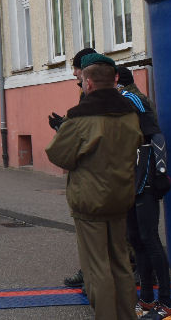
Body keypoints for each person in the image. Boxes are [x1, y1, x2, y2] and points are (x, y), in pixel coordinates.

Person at [45, 54, 142, 320]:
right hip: (121, 196)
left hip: (90, 199)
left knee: (96, 267)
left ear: (88, 83)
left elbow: (59, 154)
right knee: (121, 262)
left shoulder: (81, 117)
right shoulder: (130, 114)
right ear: (114, 81)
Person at [116, 67, 171, 320]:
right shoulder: (114, 103)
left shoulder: (132, 99)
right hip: (128, 179)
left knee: (149, 238)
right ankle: (148, 298)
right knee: (136, 238)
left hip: (146, 178)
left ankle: (166, 303)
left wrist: (161, 171)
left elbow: (156, 133)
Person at [48, 47, 95, 288]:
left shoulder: (99, 100)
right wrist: (64, 125)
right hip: (106, 182)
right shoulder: (94, 98)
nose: (74, 74)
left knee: (93, 236)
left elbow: (84, 133)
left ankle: (92, 279)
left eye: (77, 69)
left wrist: (63, 131)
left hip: (92, 181)